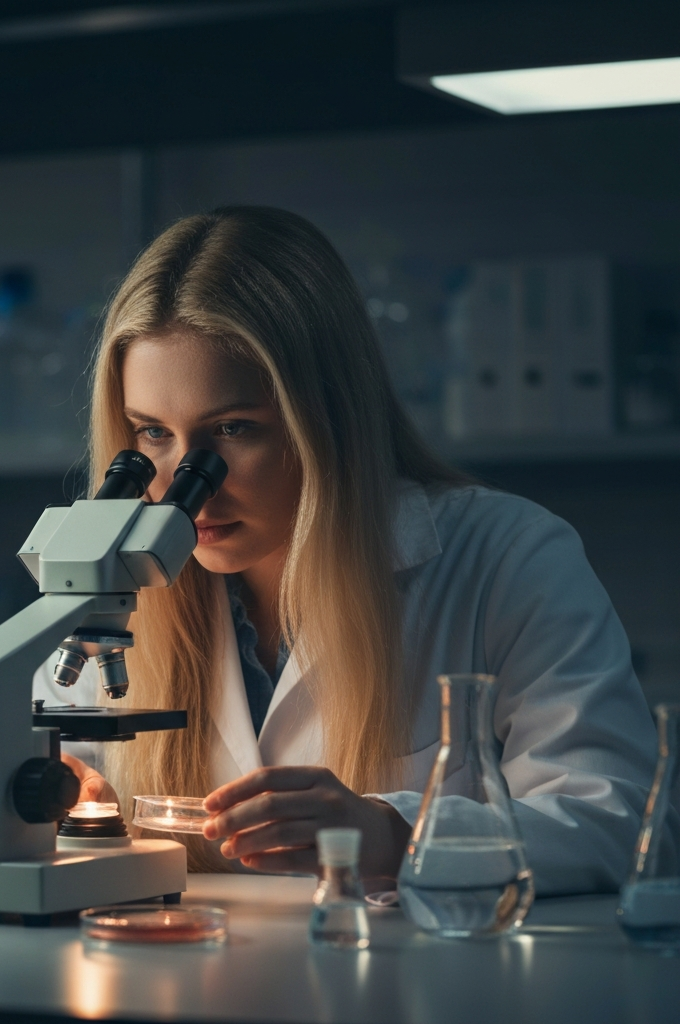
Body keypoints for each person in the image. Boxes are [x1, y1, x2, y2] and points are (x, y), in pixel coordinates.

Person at [33, 205, 659, 894]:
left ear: (326, 415)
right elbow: (67, 757)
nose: (190, 489)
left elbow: (613, 815)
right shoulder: (117, 589)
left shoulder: (508, 558)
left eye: (235, 428)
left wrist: (396, 836)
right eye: (152, 434)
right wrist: (61, 792)